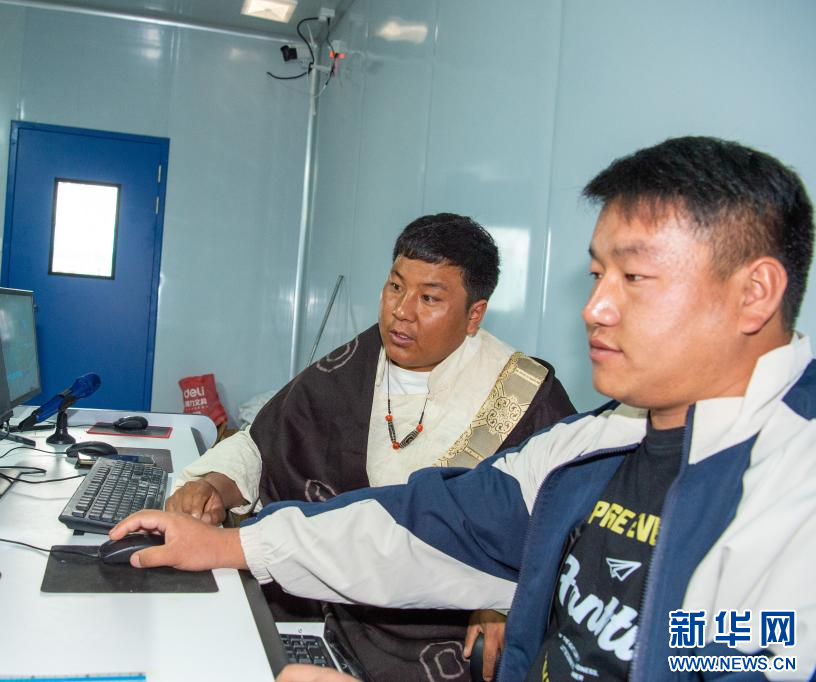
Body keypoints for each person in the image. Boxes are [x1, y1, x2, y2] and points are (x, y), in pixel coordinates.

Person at [114, 136, 816, 681]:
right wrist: (234, 545)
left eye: (634, 277)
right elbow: (428, 526)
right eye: (598, 274)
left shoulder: (793, 496)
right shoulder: (592, 448)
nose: (595, 307)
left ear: (754, 293)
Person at [167, 213, 576, 681]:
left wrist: (505, 599)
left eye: (429, 298)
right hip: (319, 602)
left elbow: (561, 532)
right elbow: (264, 443)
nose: (401, 311)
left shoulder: (522, 396)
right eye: (396, 286)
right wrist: (215, 484)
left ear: (474, 315)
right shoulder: (353, 364)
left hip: (436, 634)